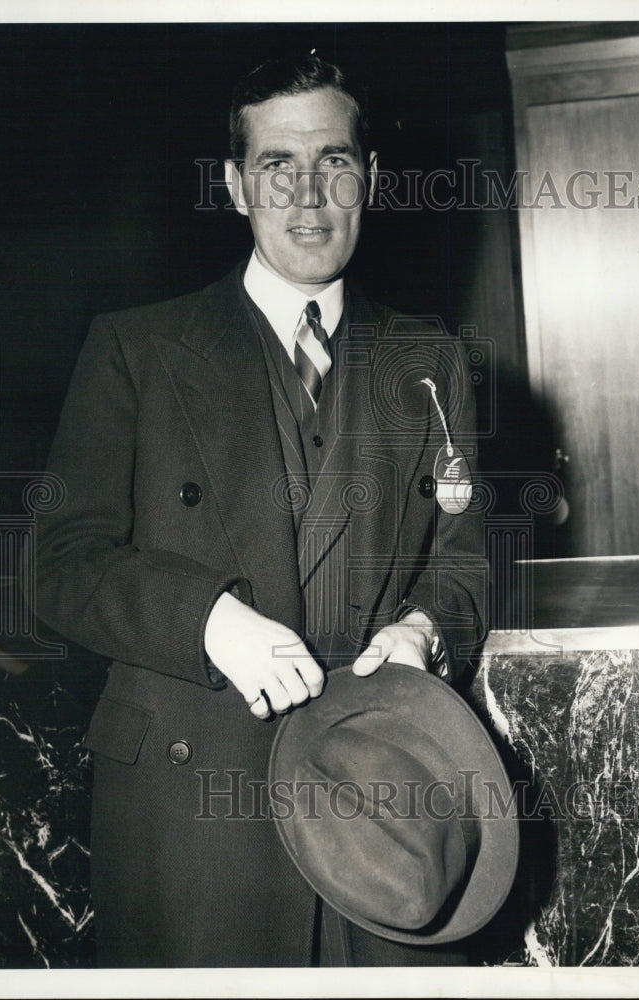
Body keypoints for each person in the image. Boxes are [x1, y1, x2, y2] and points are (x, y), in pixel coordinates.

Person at [34, 54, 487, 967]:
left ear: (370, 178)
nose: (309, 193)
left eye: (335, 160)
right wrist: (205, 620)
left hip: (381, 808)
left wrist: (423, 630)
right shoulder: (138, 349)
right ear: (237, 185)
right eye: (278, 164)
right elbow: (56, 563)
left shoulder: (428, 359)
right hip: (194, 823)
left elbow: (465, 556)